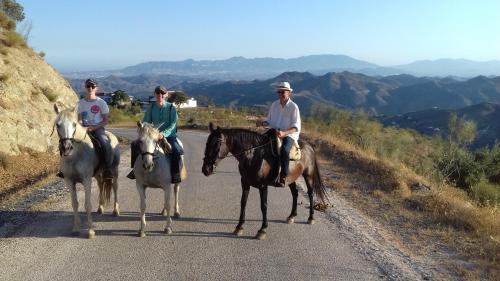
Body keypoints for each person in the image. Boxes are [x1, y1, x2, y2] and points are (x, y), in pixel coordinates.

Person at [127, 85, 182, 183]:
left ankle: (175, 174)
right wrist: (142, 125)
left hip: (169, 136)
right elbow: (147, 121)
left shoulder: (171, 108)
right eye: (158, 93)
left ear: (166, 95)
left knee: (176, 150)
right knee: (135, 144)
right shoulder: (151, 107)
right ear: (155, 94)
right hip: (153, 136)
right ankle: (134, 170)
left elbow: (173, 124)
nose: (160, 95)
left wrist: (164, 134)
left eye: (162, 93)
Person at [256, 81, 301, 187]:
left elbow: (296, 127)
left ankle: (283, 176)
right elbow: (270, 121)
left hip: (288, 134)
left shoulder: (293, 107)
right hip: (274, 131)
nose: (280, 94)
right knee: (259, 143)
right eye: (279, 92)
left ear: (289, 93)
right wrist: (262, 123)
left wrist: (284, 132)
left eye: (283, 92)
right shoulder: (274, 105)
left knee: (284, 150)